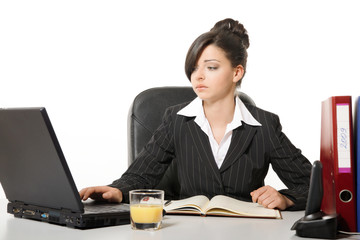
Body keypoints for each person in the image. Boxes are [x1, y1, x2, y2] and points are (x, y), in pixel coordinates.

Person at [80, 18, 312, 211]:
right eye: (194, 68)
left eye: (211, 67)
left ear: (236, 72)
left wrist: (285, 198)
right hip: (187, 229)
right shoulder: (176, 119)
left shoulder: (265, 125)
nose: (197, 76)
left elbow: (311, 183)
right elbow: (140, 176)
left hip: (245, 231)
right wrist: (117, 190)